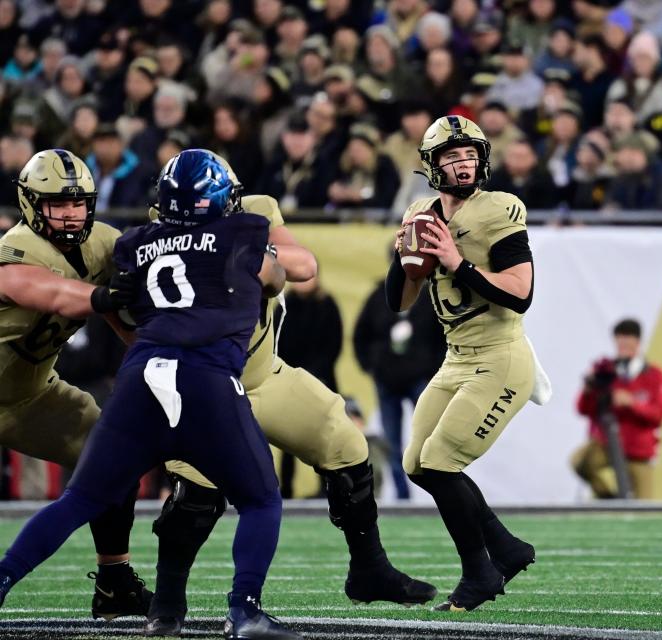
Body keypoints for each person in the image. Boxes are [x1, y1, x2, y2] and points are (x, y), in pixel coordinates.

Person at [0, 149, 300, 639]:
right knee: (261, 499)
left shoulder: (133, 243)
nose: (72, 212)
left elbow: (129, 303)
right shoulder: (243, 231)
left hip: (141, 377)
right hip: (205, 379)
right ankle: (245, 611)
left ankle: (11, 578)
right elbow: (279, 276)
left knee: (78, 499)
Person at [146, 161, 437, 636]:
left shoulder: (255, 212)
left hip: (264, 374)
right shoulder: (156, 239)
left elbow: (303, 265)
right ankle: (167, 601)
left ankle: (369, 569)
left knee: (347, 443)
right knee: (193, 498)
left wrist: (238, 245)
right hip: (204, 388)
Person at [388, 115, 544, 612]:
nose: (464, 163)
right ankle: (506, 549)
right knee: (415, 464)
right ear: (432, 166)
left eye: (470, 154)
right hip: (457, 359)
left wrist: (457, 262)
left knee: (440, 462)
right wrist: (405, 261)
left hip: (500, 356)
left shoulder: (497, 210)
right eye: (452, 156)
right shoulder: (422, 211)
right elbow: (399, 302)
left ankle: (480, 573)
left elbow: (521, 295)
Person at [0, 148, 149, 620]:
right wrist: (105, 295)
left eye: (78, 203)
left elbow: (125, 318)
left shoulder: (102, 241)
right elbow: (47, 292)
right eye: (57, 205)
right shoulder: (16, 245)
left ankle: (115, 582)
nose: (70, 214)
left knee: (114, 459)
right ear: (29, 205)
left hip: (32, 393)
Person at [353, 263, 446, 501]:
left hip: (420, 378)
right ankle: (403, 497)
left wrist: (433, 369)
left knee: (430, 438)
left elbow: (443, 335)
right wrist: (372, 365)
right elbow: (360, 334)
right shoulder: (379, 296)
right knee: (392, 444)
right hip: (387, 380)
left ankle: (439, 492)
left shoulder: (430, 296)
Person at [572, 318, 662, 499]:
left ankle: (614, 501)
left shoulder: (654, 375)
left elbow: (658, 415)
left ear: (638, 342)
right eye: (620, 340)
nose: (623, 345)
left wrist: (632, 403)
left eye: (628, 340)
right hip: (607, 446)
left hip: (638, 453)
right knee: (580, 461)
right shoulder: (605, 371)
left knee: (643, 511)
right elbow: (583, 409)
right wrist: (588, 389)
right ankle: (608, 498)